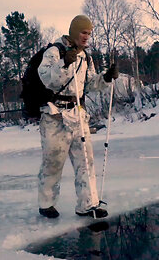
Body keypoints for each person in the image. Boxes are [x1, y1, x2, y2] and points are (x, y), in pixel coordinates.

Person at [37, 15, 117, 219]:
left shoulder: (86, 57)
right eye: (83, 32)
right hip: (55, 115)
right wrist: (63, 63)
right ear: (74, 32)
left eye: (89, 33)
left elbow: (89, 84)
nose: (86, 37)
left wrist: (105, 78)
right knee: (53, 161)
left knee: (85, 161)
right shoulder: (54, 52)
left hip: (77, 114)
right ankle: (46, 203)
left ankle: (88, 204)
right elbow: (46, 78)